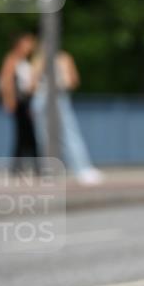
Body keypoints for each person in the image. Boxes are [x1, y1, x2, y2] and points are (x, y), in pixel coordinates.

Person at [32, 48, 104, 185]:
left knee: (52, 136)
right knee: (62, 135)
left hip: (48, 98)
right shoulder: (55, 58)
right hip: (50, 98)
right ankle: (79, 169)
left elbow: (34, 83)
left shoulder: (50, 58)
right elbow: (72, 80)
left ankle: (71, 169)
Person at [0, 33, 39, 174]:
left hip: (27, 101)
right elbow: (6, 80)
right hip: (20, 102)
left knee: (26, 135)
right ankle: (29, 166)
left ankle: (21, 166)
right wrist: (9, 100)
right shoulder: (12, 59)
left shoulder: (26, 61)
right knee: (25, 134)